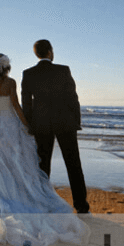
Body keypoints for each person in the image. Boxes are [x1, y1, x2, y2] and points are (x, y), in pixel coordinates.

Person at [0, 53, 88, 246]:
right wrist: (27, 125)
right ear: (7, 67)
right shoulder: (10, 83)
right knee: (16, 165)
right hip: (10, 126)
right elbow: (17, 107)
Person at [21, 39, 89, 214]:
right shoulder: (63, 70)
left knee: (43, 167)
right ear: (50, 52)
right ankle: (81, 206)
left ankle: (42, 203)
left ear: (37, 54)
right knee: (73, 165)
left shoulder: (28, 74)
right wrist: (77, 122)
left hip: (41, 125)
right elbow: (73, 98)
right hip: (65, 123)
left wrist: (30, 126)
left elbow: (26, 104)